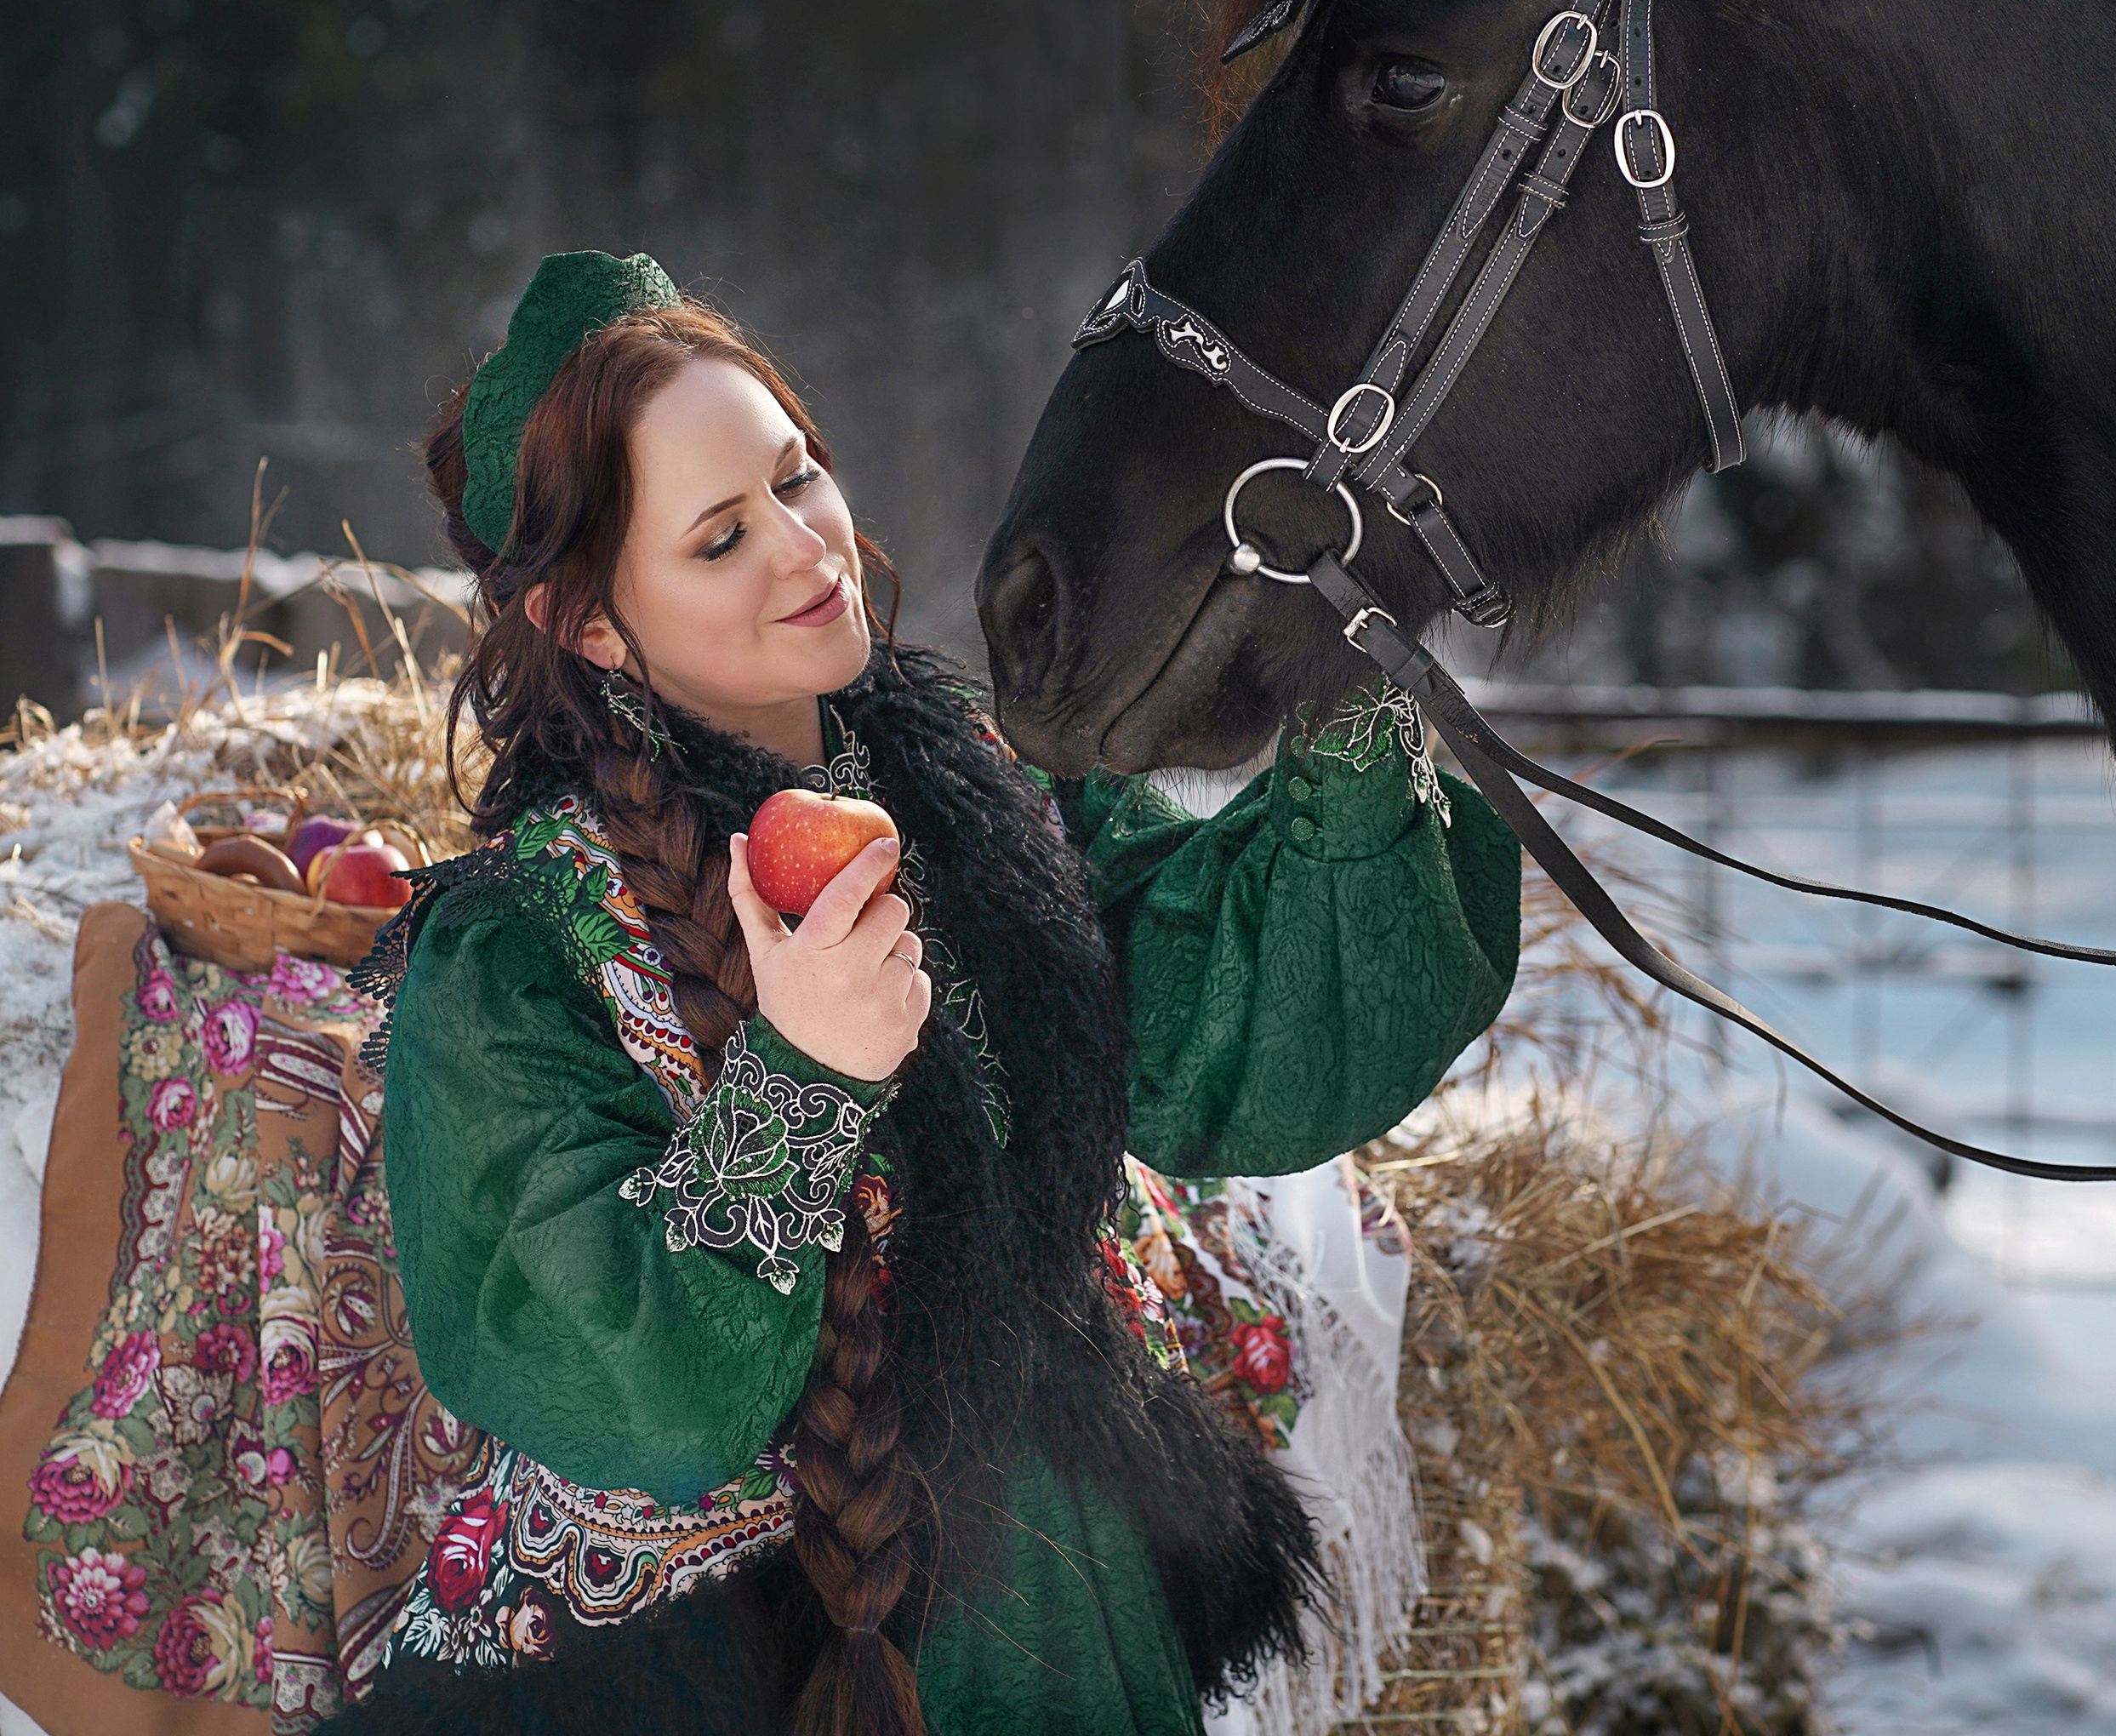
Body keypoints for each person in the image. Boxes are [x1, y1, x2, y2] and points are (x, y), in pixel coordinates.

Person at [338, 249, 1522, 1736]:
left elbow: (1231, 1042)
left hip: (1072, 1599)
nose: (806, 545)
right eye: (719, 538)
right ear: (586, 623)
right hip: (740, 1670)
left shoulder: (980, 785)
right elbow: (626, 1385)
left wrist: (1342, 699)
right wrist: (802, 1077)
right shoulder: (512, 954)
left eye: (798, 475)